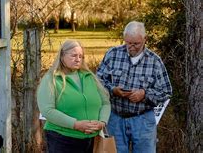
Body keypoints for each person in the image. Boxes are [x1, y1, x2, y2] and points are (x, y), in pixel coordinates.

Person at [97, 21, 172, 153]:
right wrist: (113, 90)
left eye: (136, 43)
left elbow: (166, 92)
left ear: (145, 39)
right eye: (128, 43)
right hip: (115, 117)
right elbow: (98, 81)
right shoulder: (113, 54)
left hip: (143, 119)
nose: (131, 47)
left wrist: (144, 94)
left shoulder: (155, 61)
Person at [37, 40, 110, 153]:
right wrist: (75, 124)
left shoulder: (89, 77)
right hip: (62, 139)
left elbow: (105, 103)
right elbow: (47, 110)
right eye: (74, 55)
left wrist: (102, 122)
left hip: (91, 140)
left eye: (81, 56)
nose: (78, 59)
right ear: (62, 56)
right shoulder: (51, 79)